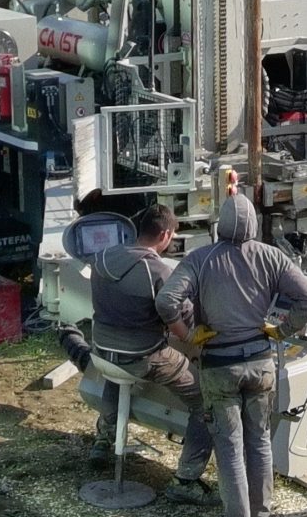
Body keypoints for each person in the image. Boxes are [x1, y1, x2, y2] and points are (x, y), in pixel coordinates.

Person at [155, 192, 307, 517]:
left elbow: (166, 300)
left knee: (229, 446)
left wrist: (187, 335)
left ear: (220, 224)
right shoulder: (272, 256)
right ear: (254, 224)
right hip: (261, 364)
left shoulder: (201, 259)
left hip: (220, 365)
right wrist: (282, 330)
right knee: (259, 442)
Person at [58, 205, 211, 499]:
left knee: (116, 376)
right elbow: (186, 317)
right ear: (165, 235)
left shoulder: (101, 258)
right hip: (142, 357)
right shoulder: (159, 271)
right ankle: (186, 480)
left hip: (103, 351)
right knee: (205, 401)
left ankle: (104, 439)